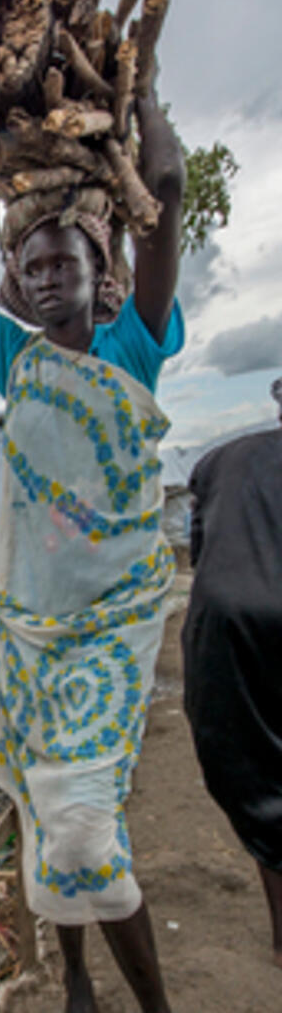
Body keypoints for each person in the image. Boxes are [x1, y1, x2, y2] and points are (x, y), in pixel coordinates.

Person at [0, 91, 201, 1013]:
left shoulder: (134, 346)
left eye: (62, 262)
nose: (44, 278)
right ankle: (75, 977)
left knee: (83, 831)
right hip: (30, 635)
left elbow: (163, 190)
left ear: (97, 274)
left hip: (111, 629)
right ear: (17, 286)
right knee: (45, 817)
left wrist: (146, 81)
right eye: (29, 268)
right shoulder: (10, 359)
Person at [182, 378, 282, 967]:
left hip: (226, 631)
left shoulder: (220, 461)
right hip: (235, 624)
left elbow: (203, 558)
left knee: (259, 787)